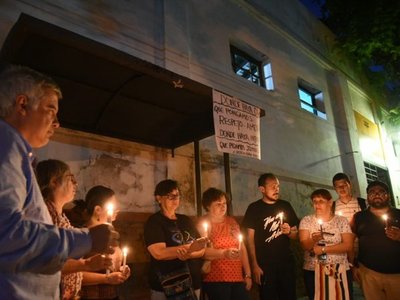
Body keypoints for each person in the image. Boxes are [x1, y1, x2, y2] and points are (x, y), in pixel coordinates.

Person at [0, 65, 118, 299]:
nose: (56, 123)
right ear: (22, 105)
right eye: (50, 110)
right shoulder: (6, 144)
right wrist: (87, 239)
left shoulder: (18, 153)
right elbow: (6, 235)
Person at [36, 159, 113, 299]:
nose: (75, 183)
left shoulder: (61, 217)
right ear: (54, 181)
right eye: (70, 178)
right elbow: (46, 262)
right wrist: (86, 264)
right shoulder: (44, 216)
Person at [144, 179, 207, 300]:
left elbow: (202, 249)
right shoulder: (154, 222)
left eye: (177, 195)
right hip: (166, 284)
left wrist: (188, 254)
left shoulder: (186, 220)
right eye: (170, 196)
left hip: (192, 282)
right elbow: (158, 252)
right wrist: (189, 248)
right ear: (159, 198)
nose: (175, 199)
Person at [242, 173, 299, 300]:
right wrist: (254, 265)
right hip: (265, 265)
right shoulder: (254, 208)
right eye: (273, 186)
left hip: (286, 263)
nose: (277, 189)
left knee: (289, 295)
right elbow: (249, 239)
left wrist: (289, 232)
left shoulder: (286, 206)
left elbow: (296, 235)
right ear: (262, 189)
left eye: (278, 186)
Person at [73, 185, 131, 300]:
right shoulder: (82, 236)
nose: (117, 210)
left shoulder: (111, 235)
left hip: (111, 295)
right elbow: (74, 274)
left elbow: (113, 266)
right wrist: (106, 278)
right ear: (98, 210)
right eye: (112, 206)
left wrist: (122, 270)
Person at [196, 187, 251, 300]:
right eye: (218, 204)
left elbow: (242, 248)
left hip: (237, 276)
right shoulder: (203, 224)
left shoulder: (231, 222)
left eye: (224, 203)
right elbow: (202, 252)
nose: (223, 206)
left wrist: (247, 274)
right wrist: (224, 252)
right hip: (216, 278)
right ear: (208, 206)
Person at [299, 189, 354, 300]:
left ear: (330, 202)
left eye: (321, 201)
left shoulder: (341, 221)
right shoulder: (306, 220)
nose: (317, 204)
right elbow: (304, 245)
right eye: (314, 201)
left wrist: (323, 249)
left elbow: (348, 245)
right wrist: (313, 239)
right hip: (313, 270)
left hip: (338, 268)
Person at [351, 180, 400, 300]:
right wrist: (353, 266)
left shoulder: (398, 214)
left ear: (388, 195)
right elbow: (351, 242)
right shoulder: (359, 217)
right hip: (368, 273)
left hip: (397, 274)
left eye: (381, 192)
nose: (377, 194)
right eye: (372, 192)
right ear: (367, 197)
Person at [332, 172, 366, 298]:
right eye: (338, 186)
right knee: (346, 288)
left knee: (367, 286)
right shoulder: (333, 206)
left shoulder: (362, 203)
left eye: (344, 185)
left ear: (349, 185)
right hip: (344, 253)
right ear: (334, 188)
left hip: (363, 251)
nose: (341, 188)